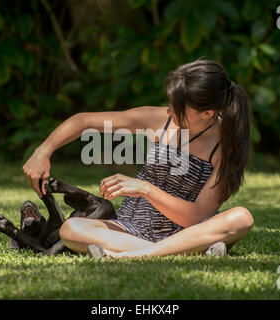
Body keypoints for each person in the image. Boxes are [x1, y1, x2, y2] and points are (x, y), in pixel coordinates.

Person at [22, 58, 254, 259]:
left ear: (207, 113)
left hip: (189, 232)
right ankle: (190, 251)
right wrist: (43, 151)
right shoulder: (160, 120)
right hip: (129, 228)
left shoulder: (227, 147)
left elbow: (194, 217)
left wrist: (145, 188)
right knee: (70, 229)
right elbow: (84, 121)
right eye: (171, 104)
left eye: (178, 108)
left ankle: (135, 255)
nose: (169, 112)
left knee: (241, 218)